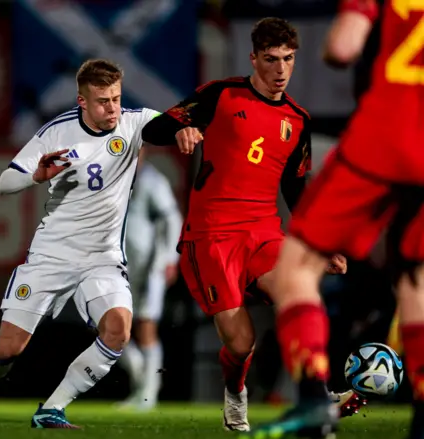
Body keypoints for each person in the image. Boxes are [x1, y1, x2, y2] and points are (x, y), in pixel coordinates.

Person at [142, 17, 359, 432]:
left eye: (289, 60)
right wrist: (183, 129)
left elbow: (296, 189)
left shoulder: (298, 120)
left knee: (302, 293)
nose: (281, 70)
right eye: (271, 59)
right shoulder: (220, 95)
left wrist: (321, 242)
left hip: (263, 232)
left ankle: (316, 392)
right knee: (241, 344)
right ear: (253, 58)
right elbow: (155, 129)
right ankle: (235, 393)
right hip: (211, 236)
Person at [0, 59, 160, 429]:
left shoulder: (134, 122)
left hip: (102, 258)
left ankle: (52, 408)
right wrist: (37, 175)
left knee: (118, 331)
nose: (112, 109)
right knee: (9, 349)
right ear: (82, 101)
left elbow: (170, 122)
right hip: (51, 255)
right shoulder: (57, 133)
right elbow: (4, 182)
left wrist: (185, 129)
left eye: (117, 99)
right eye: (103, 101)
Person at [244, 1, 424, 438]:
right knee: (415, 280)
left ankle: (311, 400)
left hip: (384, 137)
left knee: (296, 268)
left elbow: (343, 47)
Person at [117, 148, 182, 411]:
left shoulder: (153, 181)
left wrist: (168, 259)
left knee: (145, 327)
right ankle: (141, 376)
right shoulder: (113, 180)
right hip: (118, 264)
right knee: (105, 323)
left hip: (150, 265)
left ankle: (147, 394)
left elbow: (173, 219)